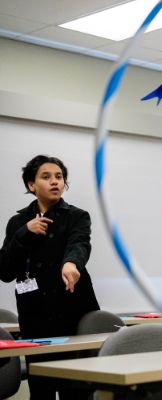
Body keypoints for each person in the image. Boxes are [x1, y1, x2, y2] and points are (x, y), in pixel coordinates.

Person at [0, 155, 99, 399]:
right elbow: (4, 271)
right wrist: (25, 233)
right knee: (41, 389)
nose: (55, 182)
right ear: (31, 185)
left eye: (59, 177)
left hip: (73, 312)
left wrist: (71, 264)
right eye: (46, 177)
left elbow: (80, 244)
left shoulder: (77, 216)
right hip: (35, 317)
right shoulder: (17, 222)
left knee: (75, 390)